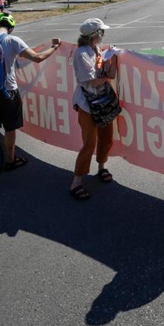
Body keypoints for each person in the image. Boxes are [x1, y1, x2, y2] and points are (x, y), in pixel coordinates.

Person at [0, 14, 61, 170]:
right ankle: (10, 160)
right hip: (7, 91)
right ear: (11, 28)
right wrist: (54, 47)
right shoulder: (12, 40)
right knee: (10, 127)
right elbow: (37, 57)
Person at [70, 18, 117, 201]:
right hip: (88, 105)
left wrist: (111, 58)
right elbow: (93, 81)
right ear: (95, 35)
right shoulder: (81, 54)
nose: (104, 35)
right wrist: (106, 77)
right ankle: (76, 182)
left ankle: (101, 167)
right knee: (89, 143)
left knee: (106, 137)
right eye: (102, 32)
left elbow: (107, 73)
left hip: (102, 101)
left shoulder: (96, 49)